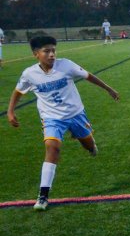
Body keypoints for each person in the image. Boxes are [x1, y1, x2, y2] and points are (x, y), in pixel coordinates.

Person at [6, 36, 120, 211]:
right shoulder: (29, 74)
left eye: (53, 50)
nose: (52, 54)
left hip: (75, 114)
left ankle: (90, 145)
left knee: (88, 143)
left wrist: (109, 89)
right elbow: (18, 91)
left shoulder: (66, 65)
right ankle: (43, 196)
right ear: (36, 54)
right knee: (52, 148)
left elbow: (89, 76)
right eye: (47, 51)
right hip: (52, 118)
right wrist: (10, 111)